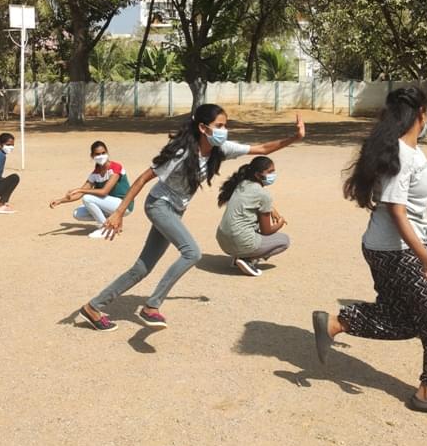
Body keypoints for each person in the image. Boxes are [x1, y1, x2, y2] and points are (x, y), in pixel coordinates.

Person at [310, 86, 427, 419]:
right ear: (421, 113)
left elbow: (407, 201)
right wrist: (425, 258)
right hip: (398, 250)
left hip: (392, 247)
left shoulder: (410, 150)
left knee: (408, 318)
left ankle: (336, 324)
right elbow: (397, 210)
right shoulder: (401, 154)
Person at [78, 104, 305, 332]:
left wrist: (295, 137)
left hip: (174, 210)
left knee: (142, 267)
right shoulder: (181, 153)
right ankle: (151, 306)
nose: (224, 130)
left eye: (225, 126)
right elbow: (142, 179)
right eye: (219, 126)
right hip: (159, 205)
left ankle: (94, 306)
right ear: (203, 128)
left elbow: (263, 148)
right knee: (192, 252)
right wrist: (118, 213)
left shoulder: (221, 149)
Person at [215, 156, 289, 277]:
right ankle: (247, 259)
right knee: (284, 241)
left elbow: (257, 201)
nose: (273, 175)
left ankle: (239, 257)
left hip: (223, 240)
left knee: (253, 227)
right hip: (241, 240)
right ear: (258, 175)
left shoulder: (242, 184)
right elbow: (267, 231)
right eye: (270, 172)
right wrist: (280, 223)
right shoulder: (264, 195)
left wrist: (272, 210)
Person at [49, 141, 134, 239]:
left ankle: (105, 228)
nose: (101, 156)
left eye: (103, 153)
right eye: (97, 154)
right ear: (92, 156)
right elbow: (78, 194)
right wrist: (60, 200)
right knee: (77, 214)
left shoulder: (115, 168)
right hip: (110, 205)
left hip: (124, 205)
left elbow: (104, 192)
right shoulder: (95, 174)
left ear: (107, 153)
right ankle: (112, 222)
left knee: (87, 198)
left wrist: (80, 189)